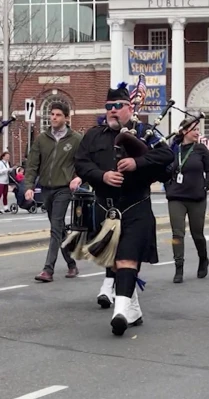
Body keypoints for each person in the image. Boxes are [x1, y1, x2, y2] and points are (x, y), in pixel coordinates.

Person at [73, 82, 174, 336]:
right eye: (108, 107)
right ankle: (132, 308)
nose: (112, 111)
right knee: (117, 265)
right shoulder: (93, 136)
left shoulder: (145, 132)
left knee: (127, 259)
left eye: (118, 106)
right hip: (106, 209)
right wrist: (102, 175)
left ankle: (119, 313)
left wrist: (137, 162)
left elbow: (167, 157)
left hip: (135, 206)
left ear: (130, 108)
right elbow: (81, 164)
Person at [24, 101, 83, 282]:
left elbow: (83, 162)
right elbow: (32, 165)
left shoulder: (76, 139)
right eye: (52, 114)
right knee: (59, 230)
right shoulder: (42, 139)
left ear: (66, 117)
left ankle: (48, 269)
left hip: (64, 189)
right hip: (46, 189)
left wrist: (78, 177)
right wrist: (28, 187)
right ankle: (72, 263)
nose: (54, 118)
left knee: (56, 226)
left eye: (58, 115)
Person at [165, 115, 209, 283]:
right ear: (185, 131)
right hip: (176, 197)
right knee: (177, 233)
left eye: (198, 130)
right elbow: (164, 169)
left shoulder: (200, 149)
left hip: (196, 197)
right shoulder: (174, 150)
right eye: (194, 130)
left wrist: (205, 185)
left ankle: (203, 259)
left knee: (197, 234)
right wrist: (168, 185)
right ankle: (178, 267)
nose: (197, 133)